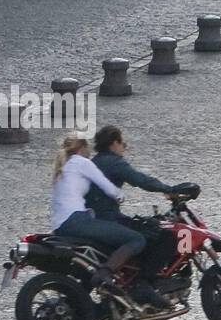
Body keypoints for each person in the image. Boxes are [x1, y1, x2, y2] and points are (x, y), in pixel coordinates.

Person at [49, 135, 167, 308]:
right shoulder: (82, 162)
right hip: (77, 220)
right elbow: (107, 187)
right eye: (87, 149)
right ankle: (105, 274)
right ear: (82, 148)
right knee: (136, 239)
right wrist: (120, 196)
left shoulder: (64, 166)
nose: (90, 153)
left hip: (60, 226)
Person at [86, 125, 194, 306]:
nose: (124, 147)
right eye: (123, 143)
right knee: (165, 236)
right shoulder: (112, 162)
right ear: (114, 143)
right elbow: (140, 180)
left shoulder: (94, 162)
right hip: (108, 220)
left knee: (146, 228)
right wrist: (171, 190)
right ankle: (142, 283)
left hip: (93, 220)